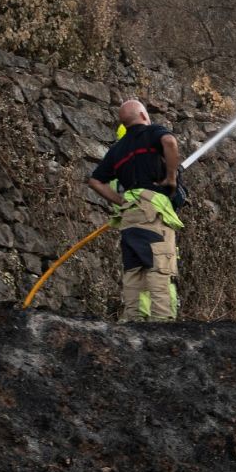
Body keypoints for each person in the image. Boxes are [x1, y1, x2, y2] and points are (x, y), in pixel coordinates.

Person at [88, 99, 184, 323]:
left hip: (129, 217)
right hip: (152, 212)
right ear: (142, 115)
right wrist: (171, 178)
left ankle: (133, 323)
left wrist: (121, 202)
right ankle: (163, 326)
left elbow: (95, 181)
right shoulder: (151, 133)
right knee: (159, 267)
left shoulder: (117, 150)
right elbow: (169, 141)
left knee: (134, 271)